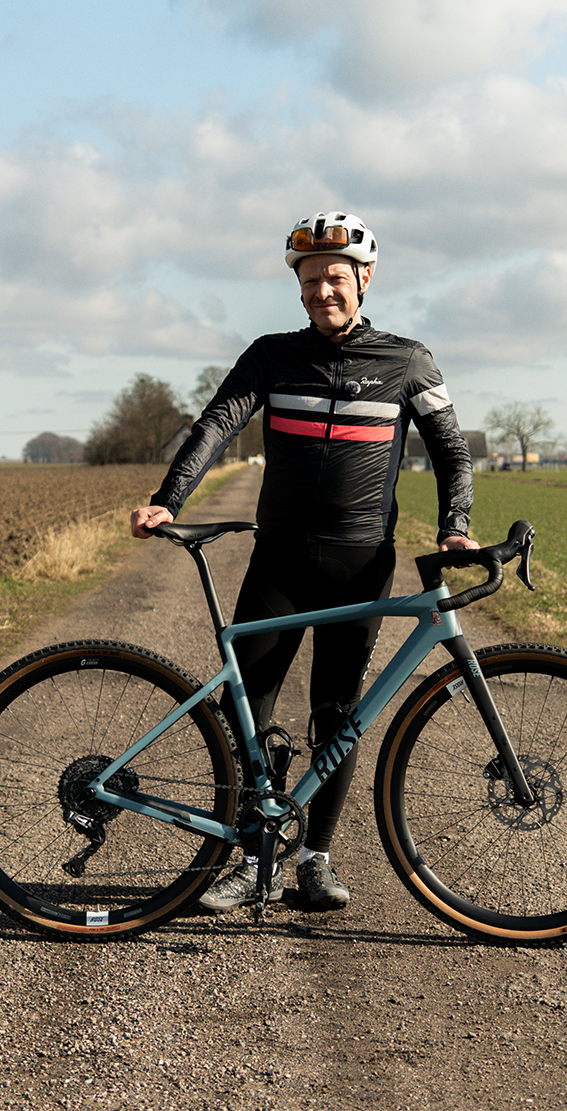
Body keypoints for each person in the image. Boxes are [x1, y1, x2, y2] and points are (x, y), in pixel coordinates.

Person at [130, 211, 478, 912]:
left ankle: (315, 858)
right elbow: (217, 424)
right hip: (280, 561)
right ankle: (247, 856)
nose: (323, 291)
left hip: (360, 564)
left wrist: (455, 528)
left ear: (364, 279)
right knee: (246, 708)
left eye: (335, 278)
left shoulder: (407, 361)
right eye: (311, 279)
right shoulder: (271, 356)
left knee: (338, 715)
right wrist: (169, 499)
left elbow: (451, 451)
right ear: (298, 286)